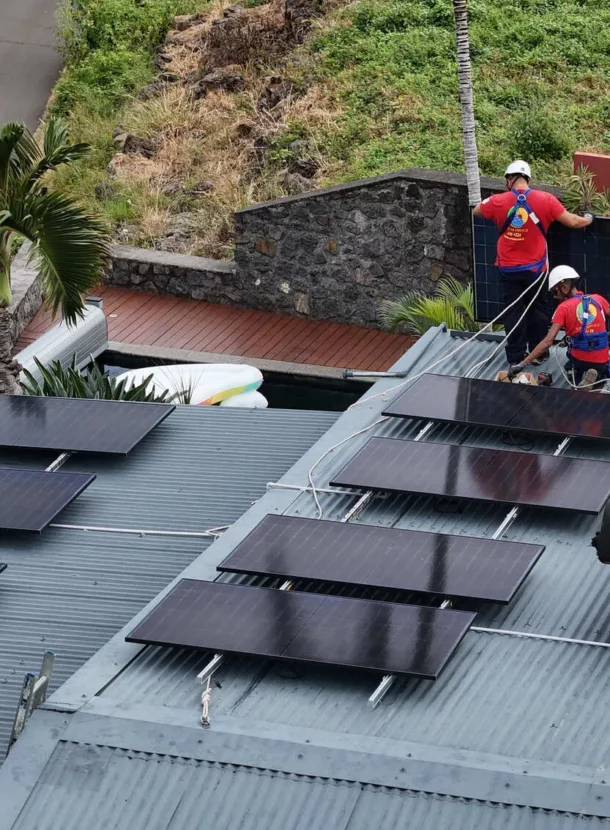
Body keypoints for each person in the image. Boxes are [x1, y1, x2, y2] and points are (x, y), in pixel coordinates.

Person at [473, 160, 592, 366]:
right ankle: (538, 354)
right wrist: (589, 218)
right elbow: (573, 222)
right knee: (538, 310)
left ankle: (515, 357)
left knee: (513, 312)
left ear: (509, 179)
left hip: (507, 268)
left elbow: (476, 211)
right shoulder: (546, 200)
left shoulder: (498, 201)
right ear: (528, 179)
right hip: (536, 270)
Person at [508, 265, 610, 389]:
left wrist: (522, 364)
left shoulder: (563, 309)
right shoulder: (598, 299)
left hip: (580, 359)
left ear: (564, 287)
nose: (555, 296)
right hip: (601, 359)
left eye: (555, 292)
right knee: (603, 361)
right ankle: (597, 373)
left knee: (570, 364)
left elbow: (547, 342)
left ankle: (581, 372)